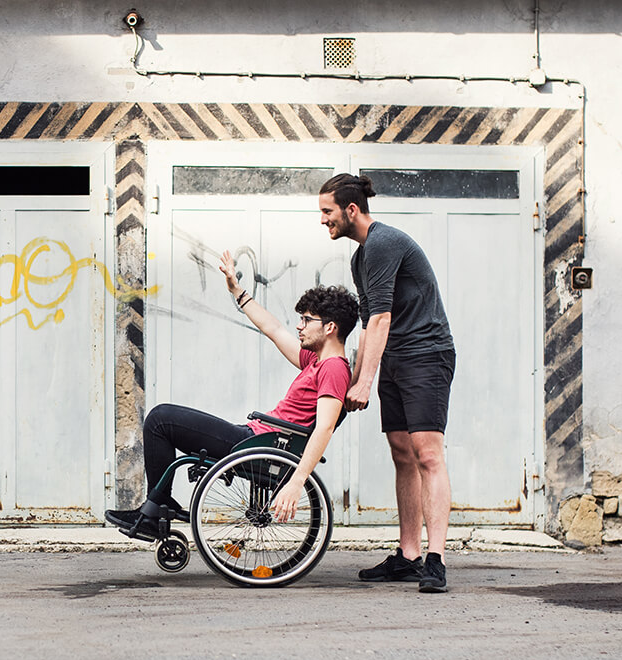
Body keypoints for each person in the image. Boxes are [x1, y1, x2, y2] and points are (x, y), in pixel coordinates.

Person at [105, 251, 358, 538]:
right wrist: (237, 291)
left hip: (261, 445)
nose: (299, 325)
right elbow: (274, 329)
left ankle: (154, 510)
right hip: (256, 437)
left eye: (306, 319)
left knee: (160, 419)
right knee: (161, 420)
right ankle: (157, 506)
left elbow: (324, 427)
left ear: (329, 327)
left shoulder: (333, 369)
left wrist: (297, 480)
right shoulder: (316, 360)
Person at [318, 173, 456, 593]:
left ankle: (436, 559)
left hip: (426, 355)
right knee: (401, 453)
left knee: (427, 454)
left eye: (327, 211)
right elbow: (367, 325)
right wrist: (354, 378)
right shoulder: (361, 257)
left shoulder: (383, 243)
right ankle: (409, 555)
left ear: (351, 209)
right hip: (395, 357)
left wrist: (364, 382)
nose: (323, 220)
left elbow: (381, 319)